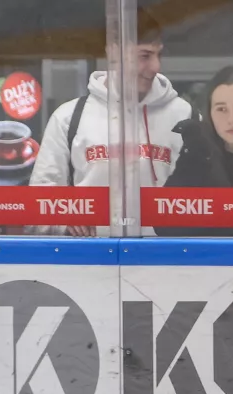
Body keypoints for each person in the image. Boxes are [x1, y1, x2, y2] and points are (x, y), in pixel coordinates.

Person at [29, 8, 192, 236]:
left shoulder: (184, 115)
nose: (156, 67)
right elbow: (39, 200)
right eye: (145, 56)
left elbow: (205, 194)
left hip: (165, 254)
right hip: (91, 254)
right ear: (114, 52)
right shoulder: (69, 117)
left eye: (159, 55)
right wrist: (62, 221)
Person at [156, 66, 233, 237]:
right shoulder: (197, 157)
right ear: (209, 112)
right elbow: (165, 223)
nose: (231, 119)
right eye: (221, 109)